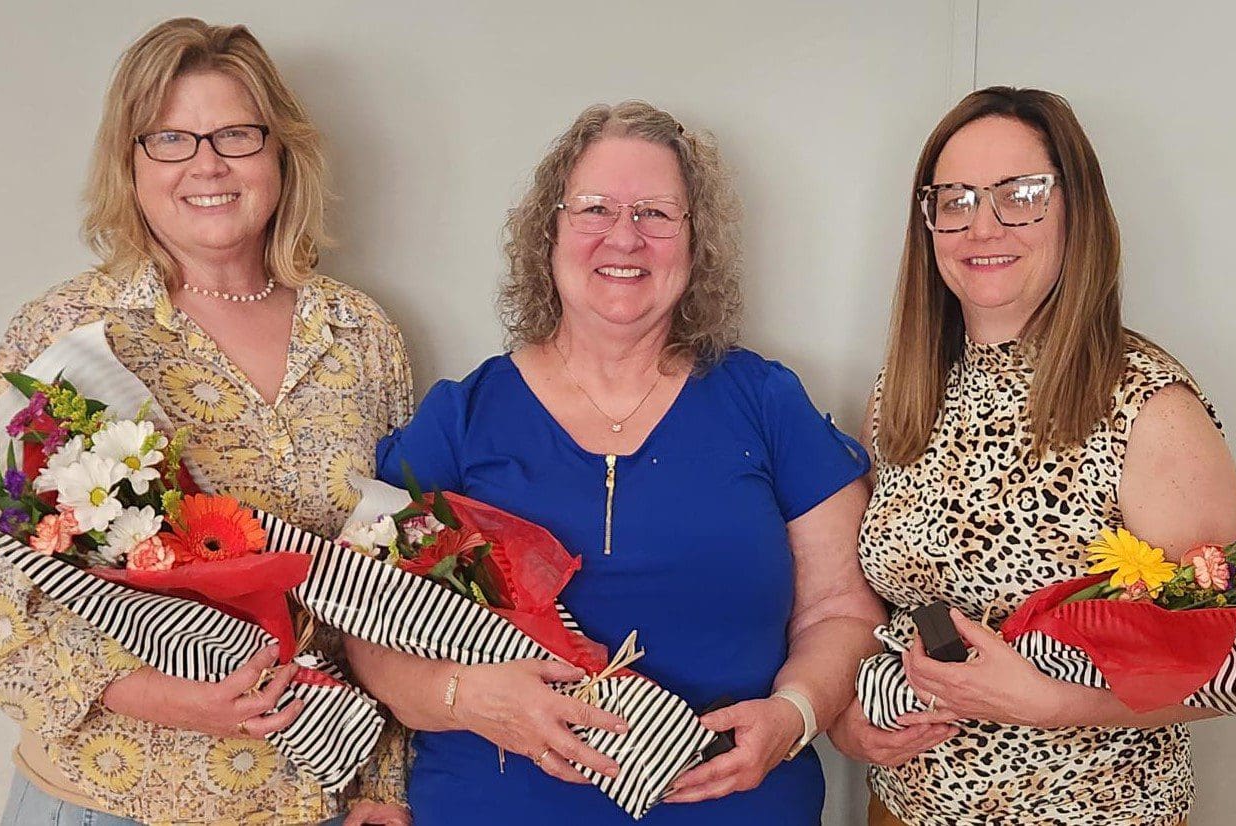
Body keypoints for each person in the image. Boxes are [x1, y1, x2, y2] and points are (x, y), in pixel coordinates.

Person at [343, 101, 884, 824]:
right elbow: (362, 622)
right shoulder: (461, 417)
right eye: (594, 208)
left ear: (695, 245)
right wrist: (466, 699)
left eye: (657, 214)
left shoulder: (764, 401)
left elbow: (840, 610)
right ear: (550, 232)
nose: (624, 236)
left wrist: (793, 714)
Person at [0, 18, 412, 825]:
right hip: (108, 798)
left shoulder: (361, 335)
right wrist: (164, 696)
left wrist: (384, 786)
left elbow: (395, 573)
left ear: (280, 152)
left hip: (310, 800)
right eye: (169, 138)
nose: (206, 163)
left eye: (235, 134)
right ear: (130, 163)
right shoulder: (67, 329)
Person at [829, 86, 1236, 826]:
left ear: (1074, 211)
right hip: (901, 811)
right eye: (953, 199)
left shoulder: (1147, 406)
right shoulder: (905, 386)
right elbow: (886, 599)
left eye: (1019, 194)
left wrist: (1052, 704)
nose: (980, 225)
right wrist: (848, 718)